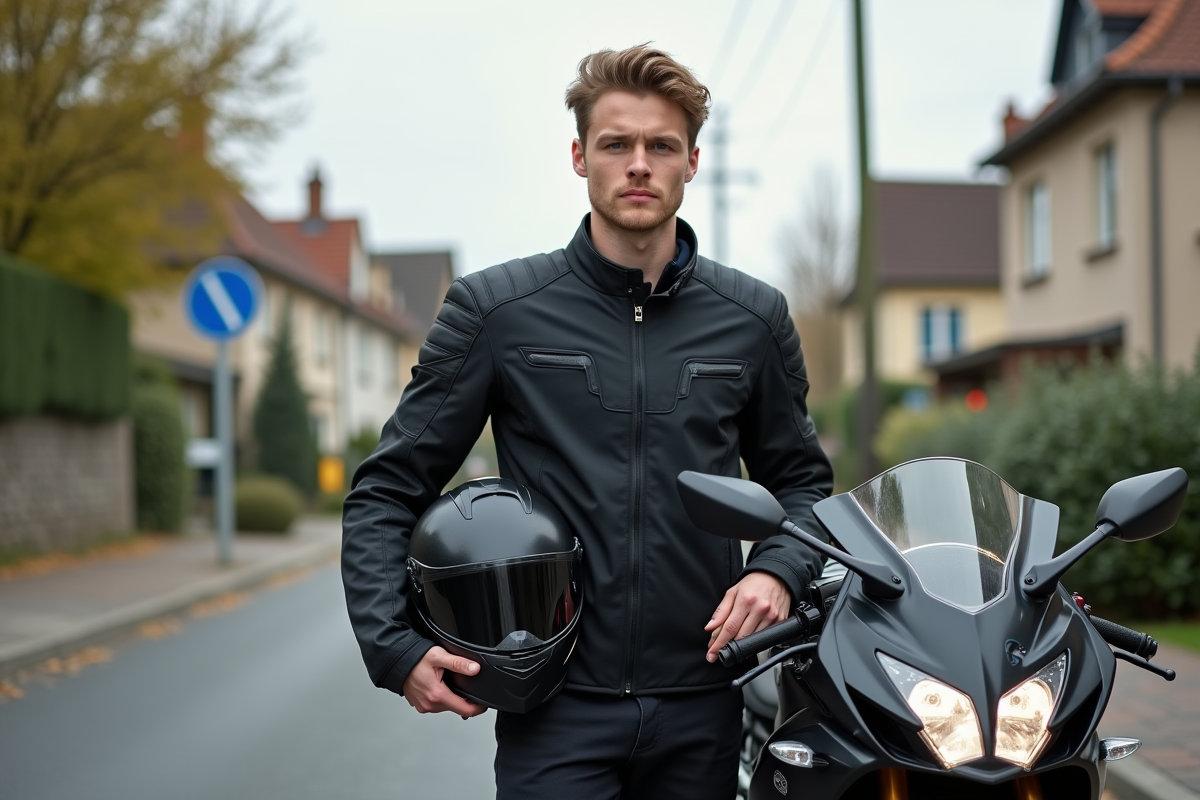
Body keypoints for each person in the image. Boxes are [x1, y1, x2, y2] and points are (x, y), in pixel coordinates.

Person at [341, 44, 834, 799]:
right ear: (580, 156)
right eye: (617, 144)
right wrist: (394, 649)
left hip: (704, 700)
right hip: (553, 709)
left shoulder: (753, 320)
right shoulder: (495, 312)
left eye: (661, 145)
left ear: (692, 161)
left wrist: (777, 568)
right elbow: (386, 490)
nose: (639, 164)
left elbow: (801, 484)